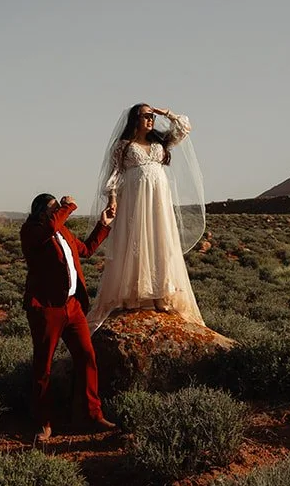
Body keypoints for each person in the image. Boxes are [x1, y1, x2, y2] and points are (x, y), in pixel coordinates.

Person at [88, 104, 208, 329]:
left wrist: (165, 112)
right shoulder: (123, 146)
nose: (150, 119)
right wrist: (112, 200)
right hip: (135, 200)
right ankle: (135, 295)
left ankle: (161, 294)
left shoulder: (161, 141)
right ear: (135, 119)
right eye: (146, 116)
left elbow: (184, 127)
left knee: (159, 239)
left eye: (152, 116)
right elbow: (114, 175)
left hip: (158, 200)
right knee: (137, 241)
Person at [18, 192, 118, 443]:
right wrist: (68, 206)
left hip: (72, 307)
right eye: (52, 209)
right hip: (46, 308)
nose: (56, 214)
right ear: (40, 212)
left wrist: (103, 224)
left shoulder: (62, 232)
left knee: (87, 356)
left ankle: (93, 414)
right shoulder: (31, 232)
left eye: (57, 210)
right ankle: (44, 423)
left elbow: (86, 250)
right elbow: (51, 224)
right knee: (44, 366)